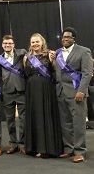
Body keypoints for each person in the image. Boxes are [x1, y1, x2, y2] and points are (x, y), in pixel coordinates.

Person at [55, 27, 93, 163]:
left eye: (68, 37)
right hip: (61, 92)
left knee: (78, 123)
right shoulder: (58, 52)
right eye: (63, 37)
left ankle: (80, 151)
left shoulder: (84, 51)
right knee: (66, 123)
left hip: (77, 92)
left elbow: (87, 73)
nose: (65, 39)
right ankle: (69, 148)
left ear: (73, 39)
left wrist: (82, 91)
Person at [23, 33, 63, 158]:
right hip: (32, 89)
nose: (35, 44)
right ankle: (34, 148)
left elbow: (56, 72)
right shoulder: (27, 57)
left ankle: (47, 149)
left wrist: (53, 61)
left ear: (42, 42)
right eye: (33, 42)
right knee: (35, 116)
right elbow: (26, 74)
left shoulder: (50, 54)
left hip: (46, 88)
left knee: (45, 115)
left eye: (37, 42)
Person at [0, 35, 26, 154]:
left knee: (23, 119)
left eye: (10, 43)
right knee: (9, 119)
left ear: (13, 44)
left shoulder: (22, 53)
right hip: (7, 92)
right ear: (2, 45)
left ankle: (23, 143)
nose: (7, 45)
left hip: (21, 90)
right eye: (5, 43)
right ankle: (13, 143)